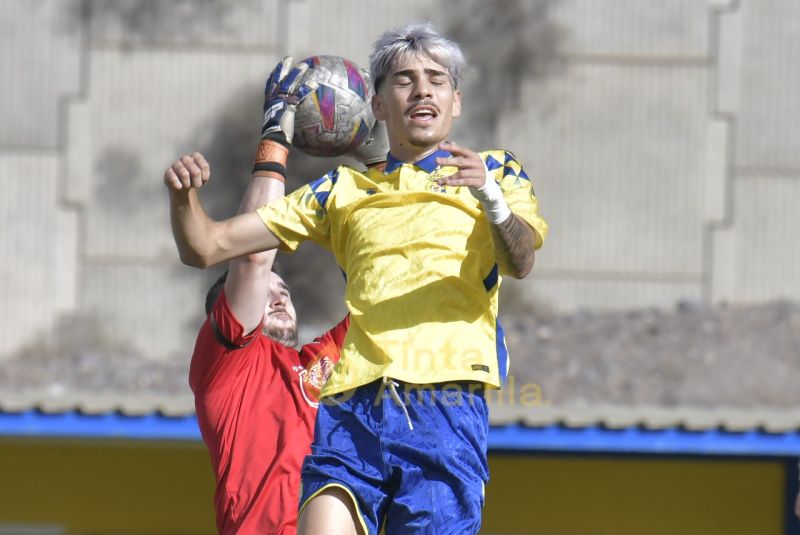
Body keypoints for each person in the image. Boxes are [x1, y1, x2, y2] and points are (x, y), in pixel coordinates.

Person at [167, 22, 548, 535]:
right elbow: (208, 246)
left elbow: (521, 260)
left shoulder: (496, 171)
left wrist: (491, 199)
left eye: (437, 80)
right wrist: (183, 198)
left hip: (444, 404)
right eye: (405, 80)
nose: (423, 90)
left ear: (456, 101)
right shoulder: (342, 191)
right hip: (353, 404)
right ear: (378, 104)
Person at [165, 57, 385, 534]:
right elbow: (252, 259)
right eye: (266, 293)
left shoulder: (319, 361)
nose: (279, 297)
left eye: (283, 289)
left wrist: (380, 163)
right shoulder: (230, 365)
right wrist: (274, 139)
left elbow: (385, 288)